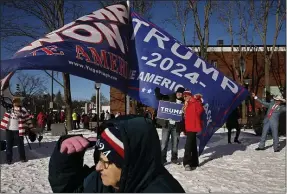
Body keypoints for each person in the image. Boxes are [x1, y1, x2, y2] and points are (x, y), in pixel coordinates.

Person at [48, 115, 185, 193]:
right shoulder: (102, 181)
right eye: (98, 159)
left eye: (106, 161)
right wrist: (66, 161)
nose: (97, 167)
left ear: (128, 163)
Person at [154, 87, 185, 164]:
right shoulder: (170, 97)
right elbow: (160, 97)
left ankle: (174, 159)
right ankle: (162, 159)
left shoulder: (184, 103)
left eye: (181, 93)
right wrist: (157, 92)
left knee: (175, 144)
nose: (179, 94)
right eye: (178, 92)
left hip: (176, 126)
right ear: (176, 92)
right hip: (167, 125)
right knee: (164, 143)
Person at [0, 97, 34, 164]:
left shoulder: (23, 110)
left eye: (18, 102)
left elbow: (28, 120)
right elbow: (5, 115)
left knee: (20, 145)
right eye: (15, 102)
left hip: (19, 130)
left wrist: (31, 129)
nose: (16, 103)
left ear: (20, 103)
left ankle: (22, 158)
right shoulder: (9, 109)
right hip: (9, 130)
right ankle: (8, 159)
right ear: (13, 103)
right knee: (9, 145)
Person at [182, 90, 204, 171]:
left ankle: (186, 163)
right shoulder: (186, 105)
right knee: (193, 144)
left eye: (187, 95)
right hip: (188, 127)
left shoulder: (194, 103)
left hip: (193, 126)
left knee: (188, 145)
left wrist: (195, 100)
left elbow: (200, 110)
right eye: (184, 96)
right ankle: (194, 162)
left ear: (190, 96)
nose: (185, 97)